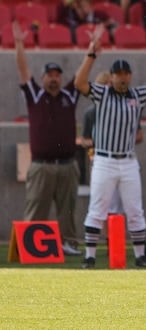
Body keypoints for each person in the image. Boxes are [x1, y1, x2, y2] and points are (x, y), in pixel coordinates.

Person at [75, 27, 146, 269]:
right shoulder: (102, 93)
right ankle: (89, 256)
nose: (121, 78)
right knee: (97, 208)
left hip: (128, 160)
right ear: (112, 76)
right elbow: (79, 83)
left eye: (124, 74)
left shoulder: (137, 96)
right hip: (104, 159)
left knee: (135, 210)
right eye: (117, 74)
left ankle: (140, 256)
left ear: (129, 75)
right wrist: (90, 56)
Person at [13, 21, 82, 257]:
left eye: (57, 75)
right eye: (50, 75)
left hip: (67, 165)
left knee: (68, 208)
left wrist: (92, 51)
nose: (54, 79)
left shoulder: (69, 95)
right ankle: (30, 247)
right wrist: (20, 44)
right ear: (43, 78)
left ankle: (69, 243)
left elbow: (82, 75)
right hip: (41, 165)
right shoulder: (35, 94)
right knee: (36, 206)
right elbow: (23, 70)